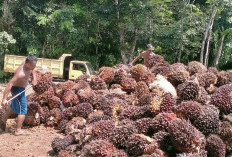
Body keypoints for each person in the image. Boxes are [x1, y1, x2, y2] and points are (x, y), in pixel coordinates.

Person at [0, 54, 37, 135]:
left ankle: (3, 119)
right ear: (27, 63)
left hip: (22, 88)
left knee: (13, 106)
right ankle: (18, 130)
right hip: (17, 90)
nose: (34, 66)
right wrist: (4, 99)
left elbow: (33, 70)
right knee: (23, 110)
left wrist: (34, 79)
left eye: (35, 65)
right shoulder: (20, 73)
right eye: (33, 65)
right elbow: (9, 84)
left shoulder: (29, 65)